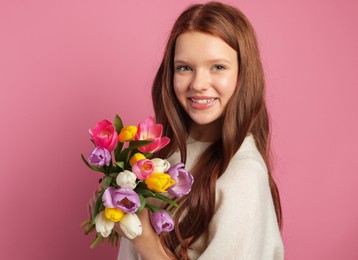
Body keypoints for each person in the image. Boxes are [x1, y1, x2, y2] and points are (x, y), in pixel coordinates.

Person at [117, 2, 284, 259]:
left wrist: (143, 238)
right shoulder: (161, 156)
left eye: (218, 67)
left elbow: (143, 242)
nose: (198, 84)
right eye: (185, 67)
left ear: (243, 74)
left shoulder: (242, 174)